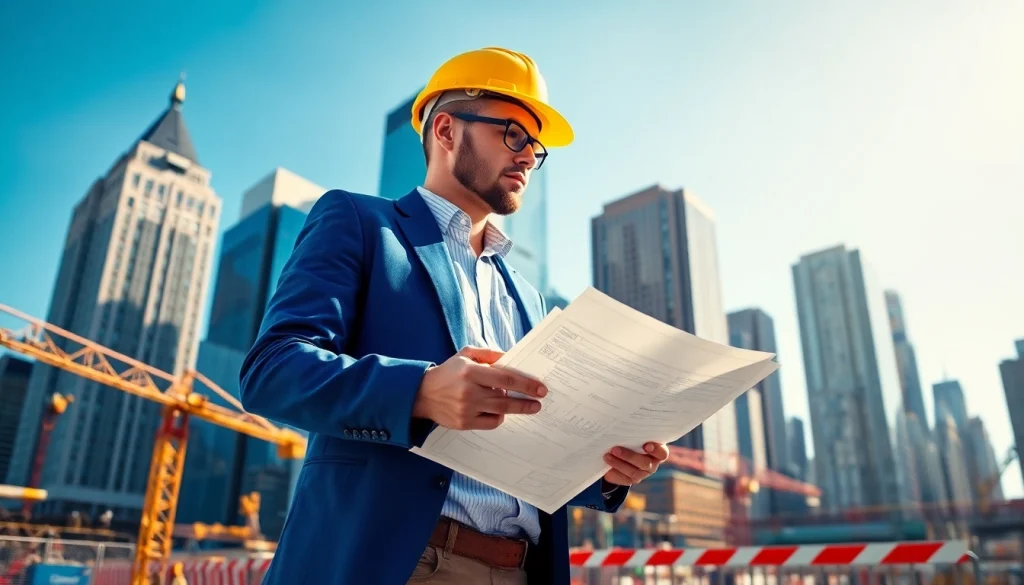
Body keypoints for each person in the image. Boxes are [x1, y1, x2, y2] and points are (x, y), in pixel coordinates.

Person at [239, 46, 670, 584]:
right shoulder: (360, 224)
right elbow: (272, 370)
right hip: (394, 563)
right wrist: (420, 391)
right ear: (445, 130)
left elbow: (530, 445)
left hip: (520, 569)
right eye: (513, 134)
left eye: (535, 147)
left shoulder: (529, 299)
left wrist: (602, 469)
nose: (527, 156)